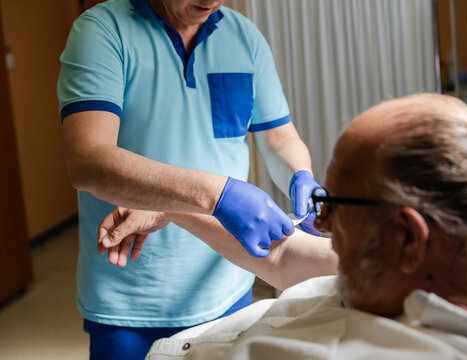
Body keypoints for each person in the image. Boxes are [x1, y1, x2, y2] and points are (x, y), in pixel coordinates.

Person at [101, 93, 467, 359]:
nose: (320, 221)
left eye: (334, 205)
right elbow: (283, 254)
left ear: (407, 236)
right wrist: (172, 207)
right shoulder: (436, 270)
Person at [57, 0, 321, 358]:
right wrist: (218, 194)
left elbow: (279, 138)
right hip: (131, 297)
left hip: (229, 282)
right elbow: (86, 161)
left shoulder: (244, 37)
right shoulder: (103, 31)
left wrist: (299, 174)